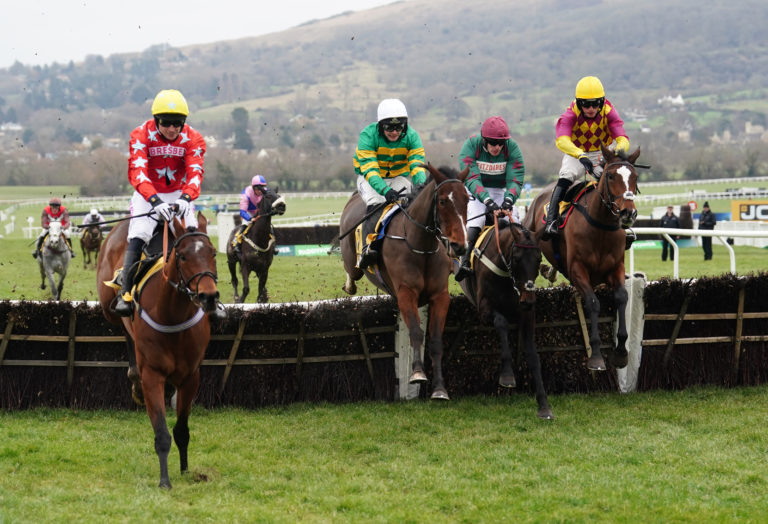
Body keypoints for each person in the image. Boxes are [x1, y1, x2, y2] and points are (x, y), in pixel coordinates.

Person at [114, 89, 206, 316]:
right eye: (166, 123)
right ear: (156, 120)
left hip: (178, 193)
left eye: (178, 123)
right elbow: (138, 172)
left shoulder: (194, 138)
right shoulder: (140, 135)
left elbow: (195, 172)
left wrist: (186, 197)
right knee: (140, 233)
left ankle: (209, 294)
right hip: (148, 195)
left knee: (193, 236)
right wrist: (154, 201)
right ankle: (125, 293)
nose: (173, 128)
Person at [544, 76, 631, 239]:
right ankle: (552, 221)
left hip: (602, 151)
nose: (591, 108)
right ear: (578, 103)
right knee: (566, 177)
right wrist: (580, 155)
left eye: (596, 103)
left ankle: (622, 224)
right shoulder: (570, 114)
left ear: (602, 101)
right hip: (577, 151)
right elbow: (561, 140)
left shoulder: (609, 112)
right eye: (586, 104)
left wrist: (613, 154)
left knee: (615, 180)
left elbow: (623, 139)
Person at [353, 98, 427, 269]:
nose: (394, 132)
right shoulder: (367, 135)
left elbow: (416, 165)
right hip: (369, 177)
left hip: (397, 177)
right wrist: (385, 191)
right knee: (376, 202)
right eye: (389, 127)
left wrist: (421, 187)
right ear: (380, 126)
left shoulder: (412, 137)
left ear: (405, 125)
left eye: (399, 127)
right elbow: (371, 170)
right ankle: (367, 248)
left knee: (419, 202)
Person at [454, 116, 525, 281]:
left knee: (515, 221)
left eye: (501, 144)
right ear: (484, 140)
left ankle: (522, 262)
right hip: (475, 191)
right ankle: (465, 262)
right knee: (476, 221)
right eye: (493, 143)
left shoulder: (512, 148)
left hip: (499, 191)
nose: (497, 147)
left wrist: (509, 200)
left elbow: (516, 178)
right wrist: (487, 201)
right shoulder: (471, 145)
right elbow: (471, 178)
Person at [232, 174, 269, 257]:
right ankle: (236, 244)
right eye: (258, 188)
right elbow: (242, 212)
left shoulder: (266, 192)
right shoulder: (246, 194)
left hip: (260, 213)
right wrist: (250, 218)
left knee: (268, 226)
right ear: (253, 187)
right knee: (245, 225)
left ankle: (273, 246)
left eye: (263, 187)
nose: (261, 190)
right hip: (249, 212)